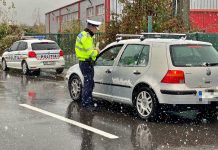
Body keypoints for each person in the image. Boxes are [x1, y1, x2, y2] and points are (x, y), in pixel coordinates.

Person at [75, 19, 101, 109]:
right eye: (95, 28)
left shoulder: (84, 35)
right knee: (88, 83)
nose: (96, 30)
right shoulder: (86, 37)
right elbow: (90, 52)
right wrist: (97, 51)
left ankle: (88, 101)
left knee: (89, 82)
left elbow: (89, 51)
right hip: (85, 62)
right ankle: (87, 103)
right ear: (91, 27)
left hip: (85, 62)